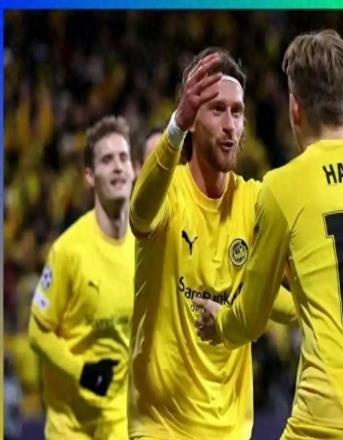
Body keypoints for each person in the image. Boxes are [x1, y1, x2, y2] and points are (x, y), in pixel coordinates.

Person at [195, 30, 343, 440]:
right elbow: (336, 296)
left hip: (330, 412)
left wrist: (220, 324)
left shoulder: (283, 186)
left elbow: (250, 318)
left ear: (295, 108)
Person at [127, 48, 298, 439]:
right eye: (217, 110)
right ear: (193, 120)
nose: (230, 125)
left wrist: (310, 312)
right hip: (161, 427)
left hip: (230, 429)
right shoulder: (169, 193)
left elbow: (267, 294)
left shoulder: (255, 201)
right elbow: (139, 217)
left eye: (237, 112)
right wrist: (175, 126)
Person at [28, 116, 135, 439]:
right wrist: (82, 371)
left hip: (118, 419)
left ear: (134, 169)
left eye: (123, 158)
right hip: (70, 427)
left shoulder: (144, 248)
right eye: (107, 159)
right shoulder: (68, 251)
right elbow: (37, 332)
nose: (117, 167)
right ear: (89, 176)